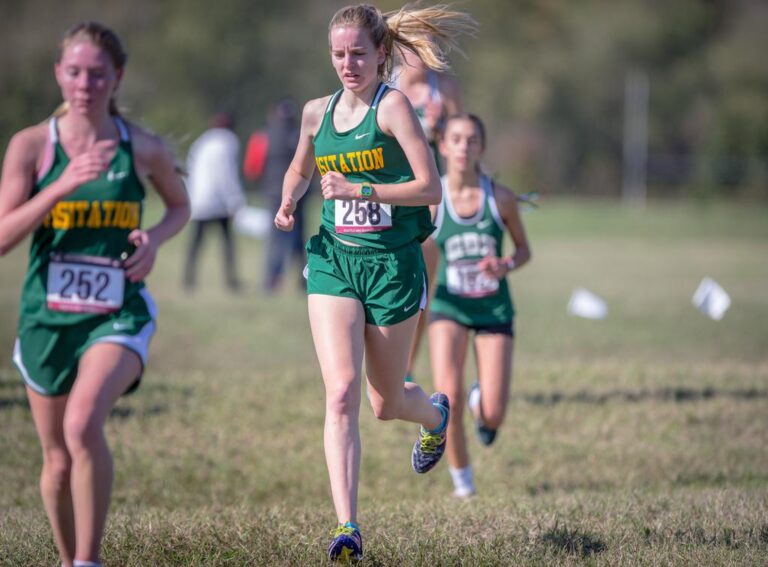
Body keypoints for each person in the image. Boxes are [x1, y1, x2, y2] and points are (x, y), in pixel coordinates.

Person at [273, 4, 476, 561]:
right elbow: (300, 166)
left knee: (385, 403)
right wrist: (290, 198)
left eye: (358, 53)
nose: (347, 63)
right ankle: (347, 528)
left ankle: (435, 415)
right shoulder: (316, 112)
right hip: (335, 261)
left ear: (381, 53)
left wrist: (363, 192)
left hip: (392, 266)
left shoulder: (395, 110)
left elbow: (431, 189)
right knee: (340, 392)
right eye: (338, 54)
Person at [0, 22, 189, 567]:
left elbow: (180, 206)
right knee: (57, 459)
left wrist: (152, 239)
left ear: (117, 77)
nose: (85, 84)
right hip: (46, 317)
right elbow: (5, 237)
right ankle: (69, 560)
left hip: (117, 313)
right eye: (75, 72)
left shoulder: (142, 148)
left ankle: (89, 561)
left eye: (98, 73)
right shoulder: (32, 146)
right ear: (59, 75)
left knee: (83, 424)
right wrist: (60, 186)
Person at [426, 113, 531, 498]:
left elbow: (524, 251)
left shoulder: (499, 198)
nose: (463, 147)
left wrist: (504, 265)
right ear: (443, 146)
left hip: (493, 310)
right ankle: (463, 485)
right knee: (445, 397)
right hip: (448, 307)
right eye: (456, 139)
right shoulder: (432, 198)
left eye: (471, 140)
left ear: (481, 148)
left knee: (494, 415)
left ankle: (480, 401)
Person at [391, 37, 464, 385]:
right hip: (387, 199)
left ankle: (405, 364)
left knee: (422, 288)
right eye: (411, 48)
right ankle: (385, 359)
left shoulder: (444, 89)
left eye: (426, 48)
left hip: (429, 203)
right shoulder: (384, 87)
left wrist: (441, 129)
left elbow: (462, 142)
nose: (419, 56)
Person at [182, 112, 245, 291]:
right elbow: (226, 174)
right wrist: (235, 200)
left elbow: (189, 167)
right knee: (227, 243)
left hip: (199, 199)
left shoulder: (202, 141)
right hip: (218, 202)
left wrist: (191, 195)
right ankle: (231, 280)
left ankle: (188, 279)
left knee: (196, 243)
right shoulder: (228, 141)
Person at [261, 98, 306, 292]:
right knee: (298, 238)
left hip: (273, 192)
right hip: (299, 194)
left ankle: (271, 280)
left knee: (276, 237)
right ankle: (304, 279)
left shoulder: (265, 135)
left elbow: (253, 166)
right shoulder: (299, 134)